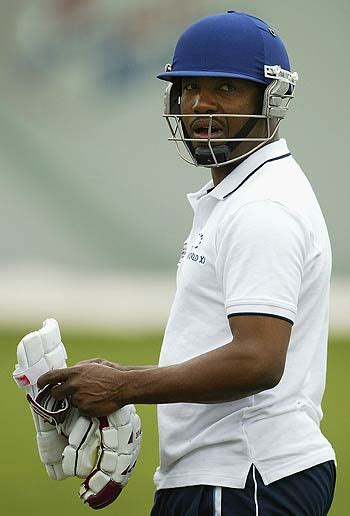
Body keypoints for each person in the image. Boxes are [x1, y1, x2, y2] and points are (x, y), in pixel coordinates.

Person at [38, 11, 336, 515]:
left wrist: (123, 385)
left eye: (226, 88)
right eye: (189, 87)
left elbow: (258, 360)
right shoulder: (237, 195)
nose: (201, 106)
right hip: (230, 477)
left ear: (271, 100)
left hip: (246, 478)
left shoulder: (262, 209)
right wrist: (123, 374)